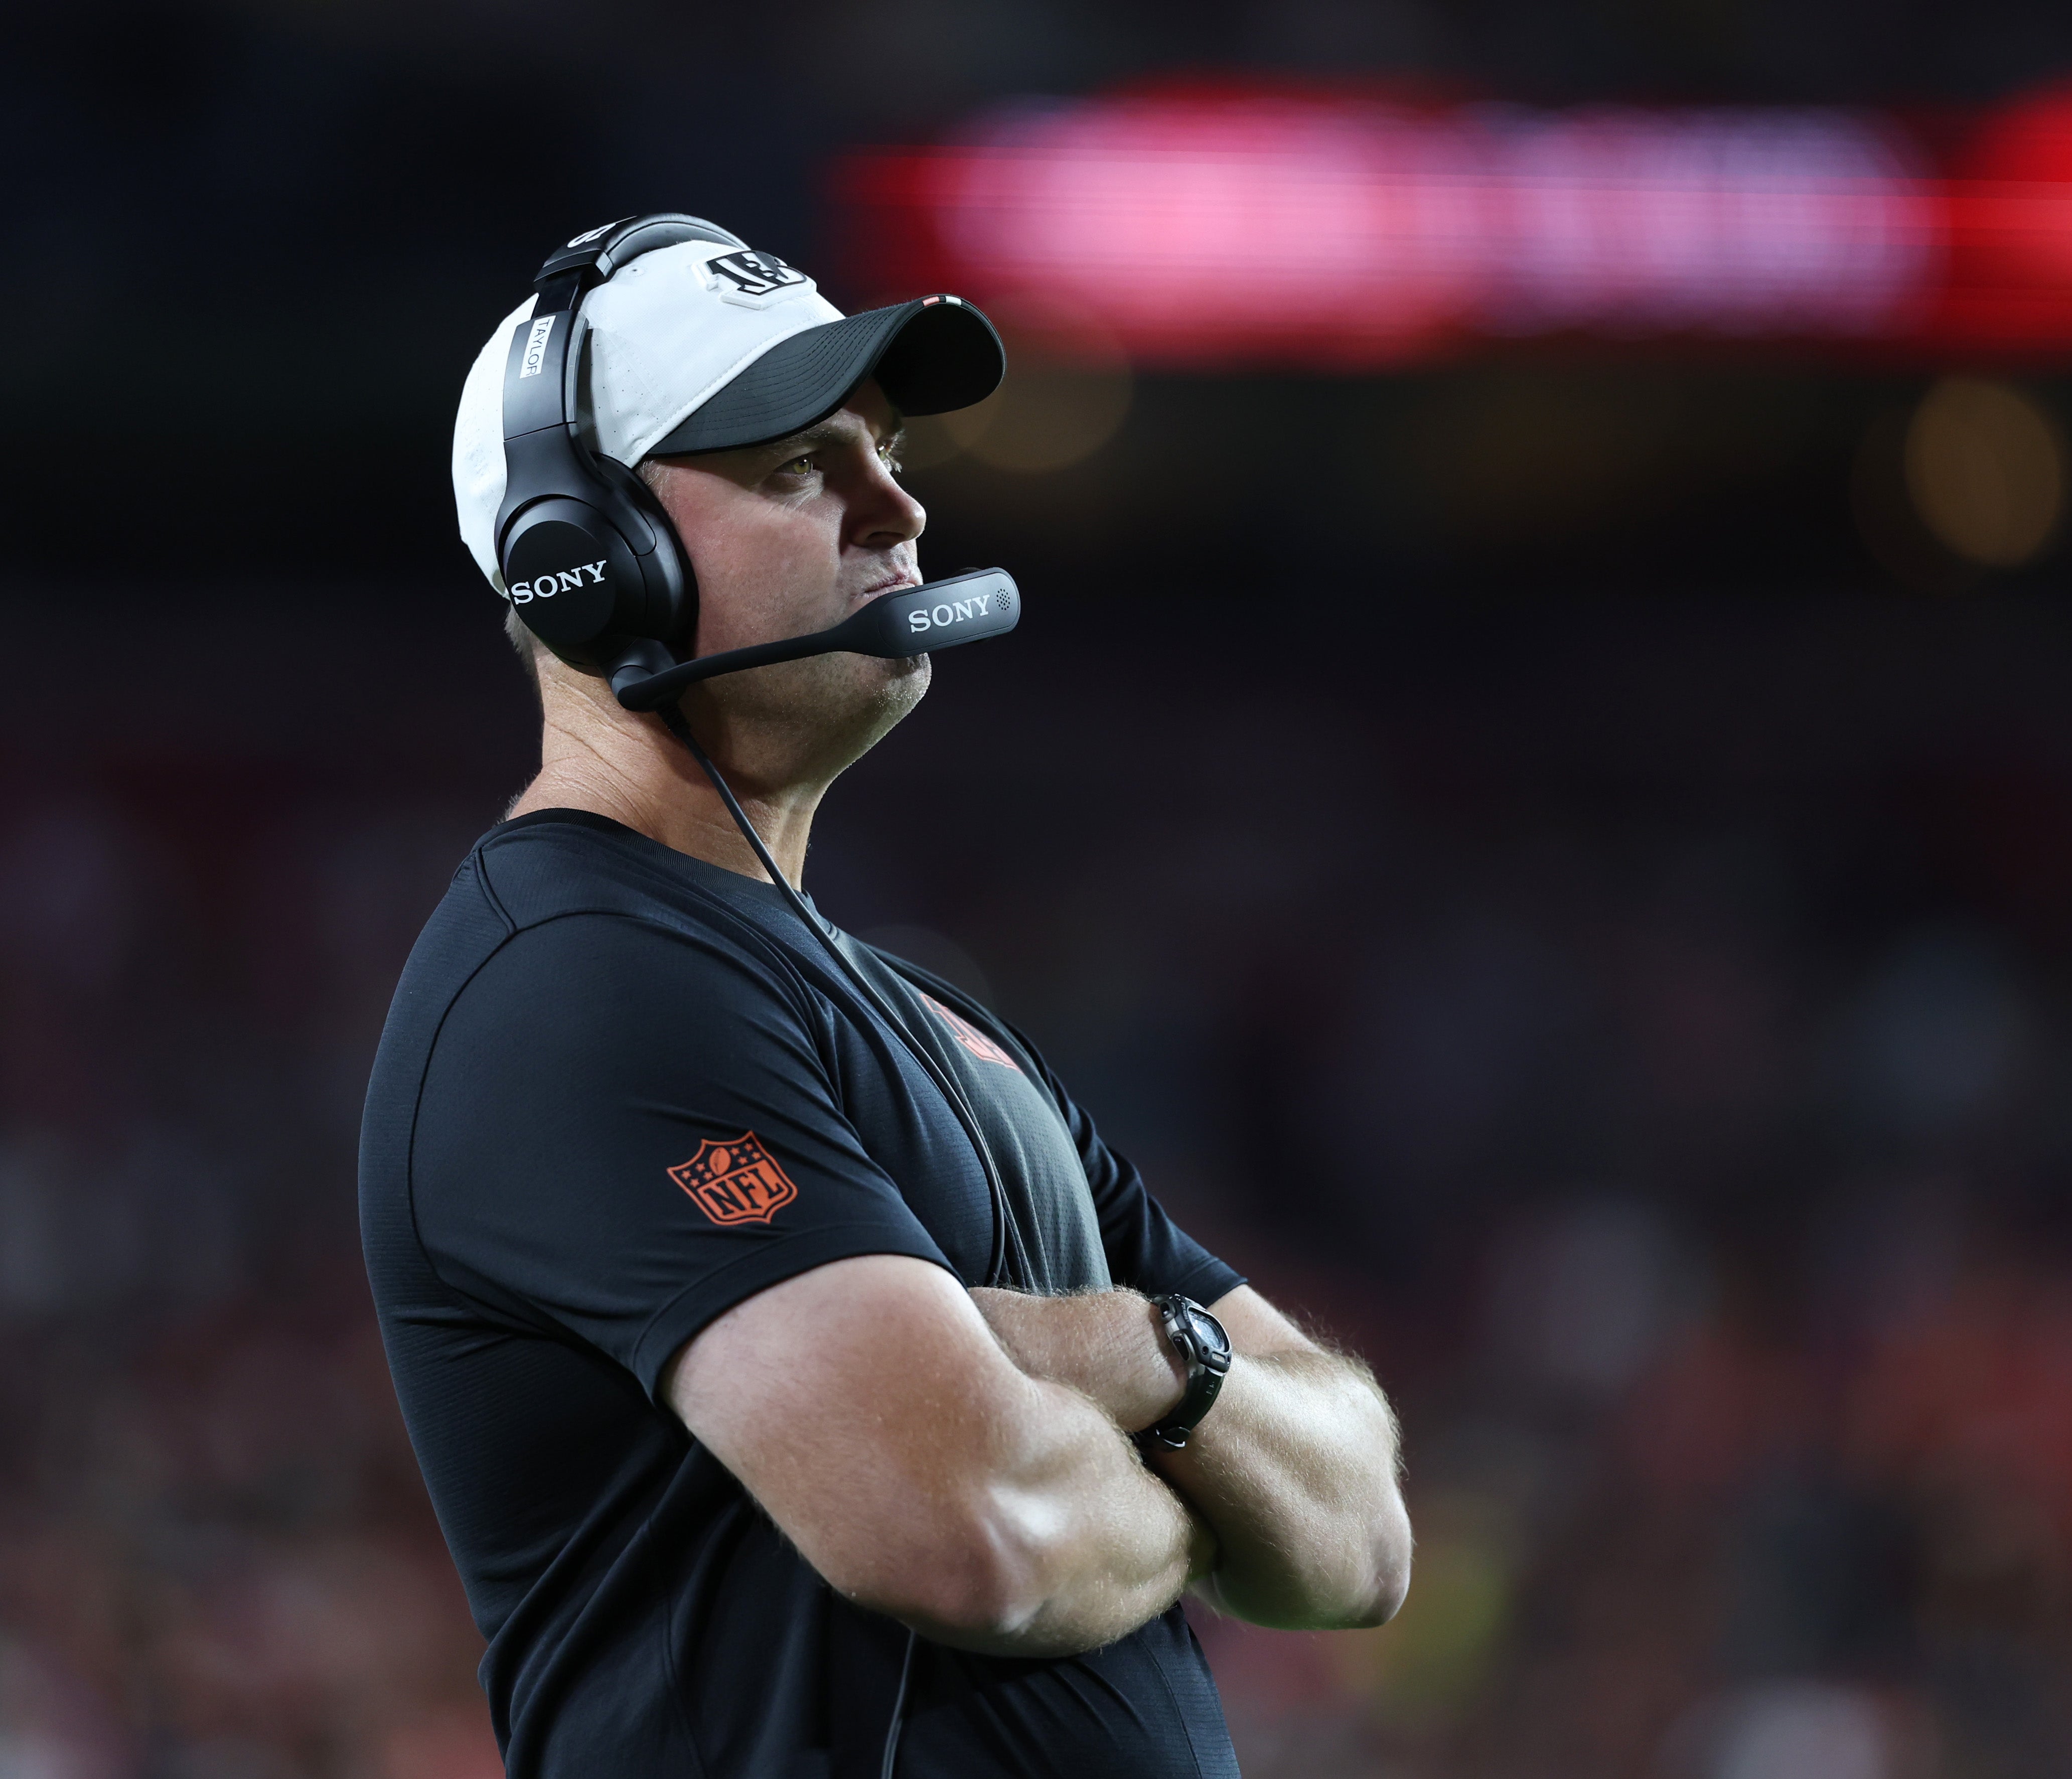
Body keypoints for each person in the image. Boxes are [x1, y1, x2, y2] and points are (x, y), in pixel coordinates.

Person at [359, 220, 1411, 1778]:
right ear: (590, 564)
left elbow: (1360, 1534)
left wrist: (1143, 1357)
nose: (900, 504)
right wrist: (1197, 1462)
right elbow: (977, 1531)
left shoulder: (931, 1013)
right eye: (798, 467)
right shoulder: (576, 988)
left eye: (889, 447)